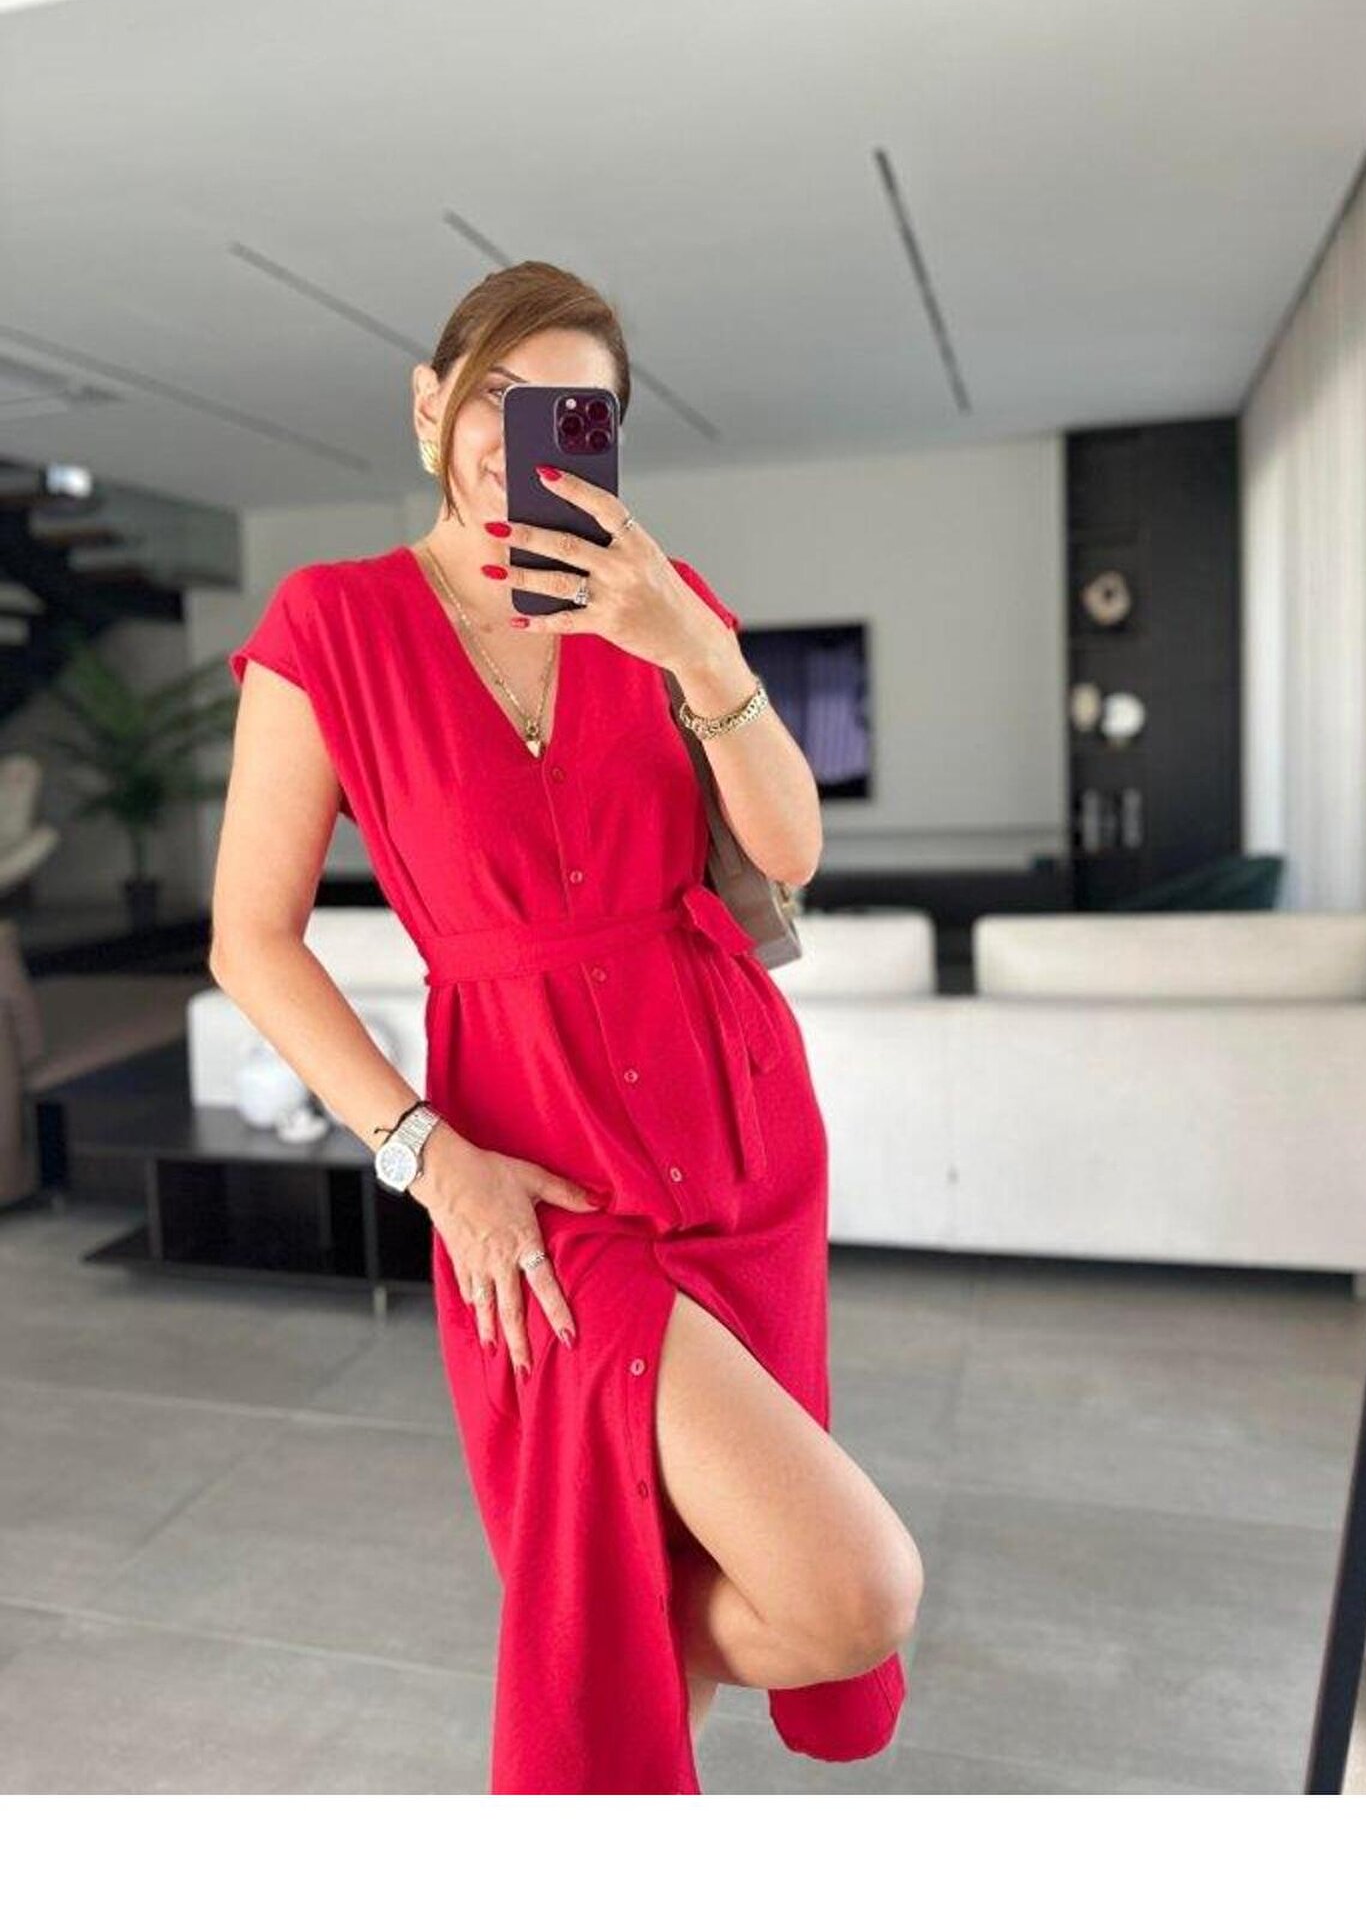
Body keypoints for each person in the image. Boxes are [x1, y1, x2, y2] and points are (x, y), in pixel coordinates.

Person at [212, 259, 923, 1794]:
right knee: (853, 1591)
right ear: (431, 407)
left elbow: (789, 851)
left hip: (737, 1135)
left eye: (573, 410)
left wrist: (693, 645)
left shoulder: (664, 603)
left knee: (658, 1562)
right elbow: (249, 940)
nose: (519, 434)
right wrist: (425, 1155)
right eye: (497, 396)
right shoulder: (332, 624)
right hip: (534, 1174)